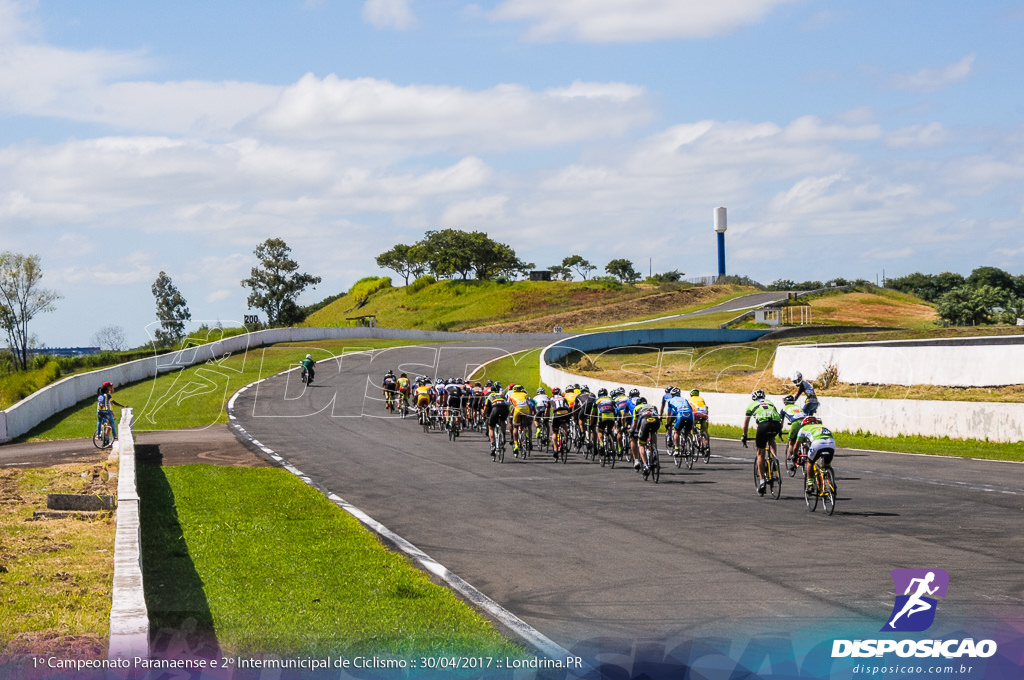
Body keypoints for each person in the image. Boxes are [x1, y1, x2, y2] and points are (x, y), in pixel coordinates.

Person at [741, 389, 783, 496]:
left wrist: (744, 436)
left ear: (754, 398)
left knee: (760, 452)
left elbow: (746, 423)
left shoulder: (752, 405)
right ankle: (774, 458)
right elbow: (779, 418)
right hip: (776, 425)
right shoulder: (770, 403)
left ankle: (762, 481)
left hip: (763, 425)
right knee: (771, 439)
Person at [794, 416, 836, 493]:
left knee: (810, 462)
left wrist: (794, 455)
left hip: (818, 443)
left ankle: (810, 484)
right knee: (827, 465)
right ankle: (832, 483)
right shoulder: (822, 426)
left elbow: (796, 446)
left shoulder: (803, 429)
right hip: (831, 443)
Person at [779, 394, 806, 471]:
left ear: (785, 403)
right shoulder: (798, 407)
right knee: (803, 439)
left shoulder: (784, 409)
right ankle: (805, 449)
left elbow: (781, 422)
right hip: (805, 422)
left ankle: (793, 459)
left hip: (795, 423)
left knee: (791, 442)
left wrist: (780, 430)